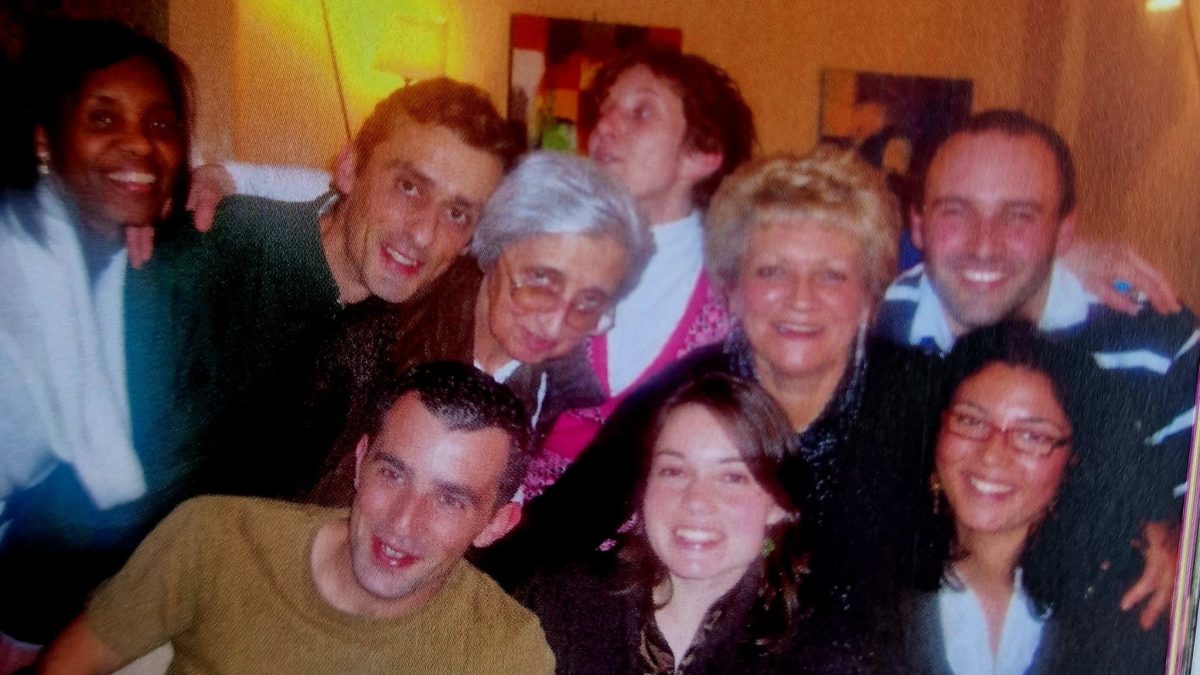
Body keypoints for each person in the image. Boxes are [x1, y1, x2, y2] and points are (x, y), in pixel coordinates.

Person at [480, 148, 938, 632]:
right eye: (772, 271)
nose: (801, 299)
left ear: (869, 296)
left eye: (831, 276)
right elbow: (563, 525)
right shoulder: (686, 391)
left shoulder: (923, 398)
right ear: (732, 289)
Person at [875, 108, 1197, 628]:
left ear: (1065, 231)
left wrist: (1183, 539)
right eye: (956, 211)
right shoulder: (873, 328)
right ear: (918, 223)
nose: (984, 244)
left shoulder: (1158, 344)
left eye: (1020, 216)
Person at [38, 362, 555, 674]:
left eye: (449, 500)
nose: (403, 522)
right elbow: (78, 657)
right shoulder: (217, 537)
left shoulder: (503, 653)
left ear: (495, 524)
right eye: (393, 473)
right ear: (360, 463)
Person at [183, 77, 524, 497]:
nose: (424, 235)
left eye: (457, 214)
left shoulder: (427, 323)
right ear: (349, 168)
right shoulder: (223, 251)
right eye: (409, 187)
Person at [0, 19, 205, 657]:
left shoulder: (137, 267)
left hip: (55, 579)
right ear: (44, 138)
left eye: (161, 124)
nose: (140, 143)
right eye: (104, 118)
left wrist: (222, 177)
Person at [302, 151, 652, 505]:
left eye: (589, 301)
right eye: (541, 280)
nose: (555, 323)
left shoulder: (571, 401)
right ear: (495, 247)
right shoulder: (380, 334)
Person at [522, 373, 881, 673]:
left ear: (779, 506)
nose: (696, 500)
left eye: (732, 478)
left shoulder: (826, 651)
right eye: (674, 471)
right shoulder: (558, 604)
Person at [537, 46, 757, 474]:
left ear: (701, 155)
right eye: (605, 109)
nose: (604, 126)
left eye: (641, 112)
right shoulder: (545, 251)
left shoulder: (737, 291)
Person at [905, 322, 1166, 674]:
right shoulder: (871, 584)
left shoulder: (1127, 599)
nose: (992, 454)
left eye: (1032, 436)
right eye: (970, 421)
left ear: (1074, 458)